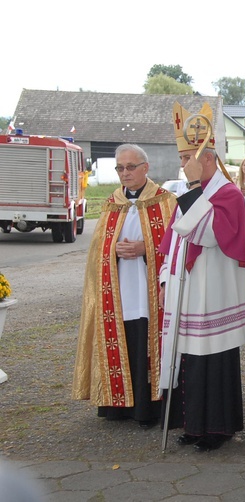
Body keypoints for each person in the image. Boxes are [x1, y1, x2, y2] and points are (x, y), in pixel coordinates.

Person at [159, 101, 245, 452]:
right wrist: (165, 281)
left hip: (213, 289)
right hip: (188, 288)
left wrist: (194, 196)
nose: (182, 165)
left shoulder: (228, 194)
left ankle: (217, 427)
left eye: (187, 158)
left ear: (209, 159)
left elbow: (213, 235)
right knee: (188, 356)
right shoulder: (190, 192)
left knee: (213, 356)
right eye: (182, 159)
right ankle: (193, 424)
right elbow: (172, 241)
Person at [73, 144, 176, 428]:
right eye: (120, 167)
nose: (125, 173)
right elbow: (97, 252)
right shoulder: (111, 203)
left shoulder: (166, 202)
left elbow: (177, 248)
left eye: (131, 167)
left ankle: (149, 409)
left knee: (148, 344)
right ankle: (117, 407)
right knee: (123, 341)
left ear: (146, 167)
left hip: (151, 291)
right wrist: (110, 252)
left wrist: (148, 248)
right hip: (119, 293)